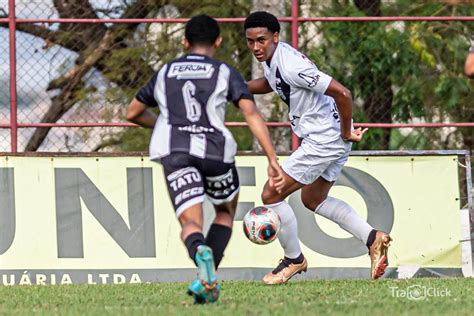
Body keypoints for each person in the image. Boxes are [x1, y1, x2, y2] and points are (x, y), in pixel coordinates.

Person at [126, 14, 284, 303]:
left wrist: (164, 124)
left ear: (185, 42)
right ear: (218, 41)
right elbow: (251, 113)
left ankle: (200, 252)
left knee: (191, 224)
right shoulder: (225, 72)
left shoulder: (165, 72)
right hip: (216, 152)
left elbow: (132, 112)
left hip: (176, 153)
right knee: (224, 212)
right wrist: (272, 158)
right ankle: (206, 280)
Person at [243, 11, 392, 284]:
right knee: (313, 199)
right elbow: (271, 83)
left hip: (324, 139)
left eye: (261, 40)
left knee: (271, 194)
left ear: (275, 36)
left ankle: (293, 259)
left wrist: (346, 131)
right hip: (330, 139)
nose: (255, 47)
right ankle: (373, 238)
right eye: (250, 41)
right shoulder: (274, 57)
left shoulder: (291, 65)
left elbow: (342, 93)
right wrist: (239, 88)